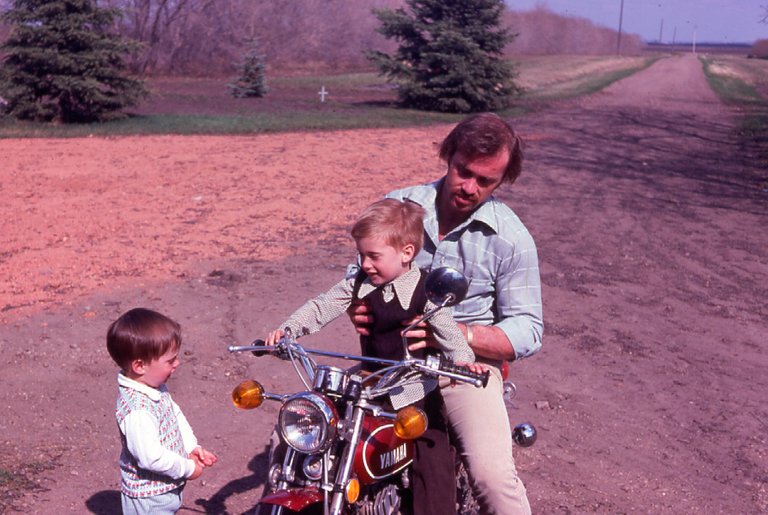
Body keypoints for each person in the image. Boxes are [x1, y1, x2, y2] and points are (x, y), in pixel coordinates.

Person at [349, 112, 543, 515]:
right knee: (317, 435)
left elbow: (528, 330)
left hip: (465, 371)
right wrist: (358, 300)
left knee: (493, 479)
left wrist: (460, 334)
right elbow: (359, 270)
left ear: (502, 181)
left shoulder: (511, 238)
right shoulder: (402, 206)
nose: (469, 187)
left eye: (485, 181)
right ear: (448, 156)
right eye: (463, 172)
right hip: (388, 361)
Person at [266, 198, 475, 515]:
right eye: (361, 254)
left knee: (431, 463)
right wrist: (288, 331)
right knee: (310, 423)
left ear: (406, 253)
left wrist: (462, 360)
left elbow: (448, 330)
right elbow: (322, 305)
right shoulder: (359, 283)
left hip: (415, 390)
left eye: (373, 256)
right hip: (370, 384)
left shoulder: (425, 291)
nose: (364, 264)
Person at [107, 308, 218, 515]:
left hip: (163, 491)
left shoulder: (152, 386)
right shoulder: (138, 411)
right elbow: (151, 458)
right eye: (170, 360)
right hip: (148, 498)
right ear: (140, 366)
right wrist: (187, 468)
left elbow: (174, 415)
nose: (177, 363)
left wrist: (191, 447)